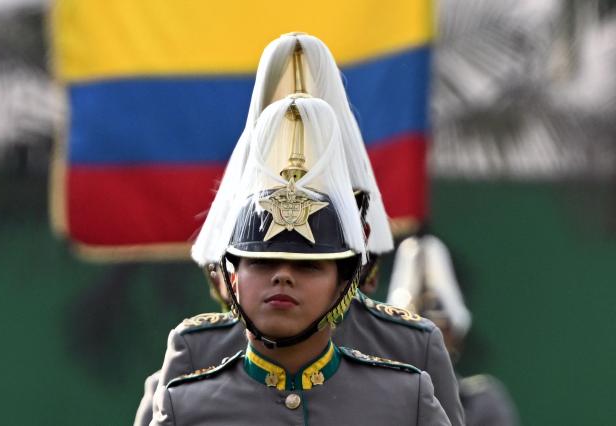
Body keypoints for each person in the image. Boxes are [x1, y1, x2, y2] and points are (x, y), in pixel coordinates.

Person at [135, 33, 463, 426]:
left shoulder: (410, 352)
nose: (283, 274)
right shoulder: (195, 354)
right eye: (263, 257)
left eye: (309, 261)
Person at [387, 232, 520, 426]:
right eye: (412, 332)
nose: (428, 342)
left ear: (453, 337)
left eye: (439, 331)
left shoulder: (484, 405)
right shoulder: (376, 401)